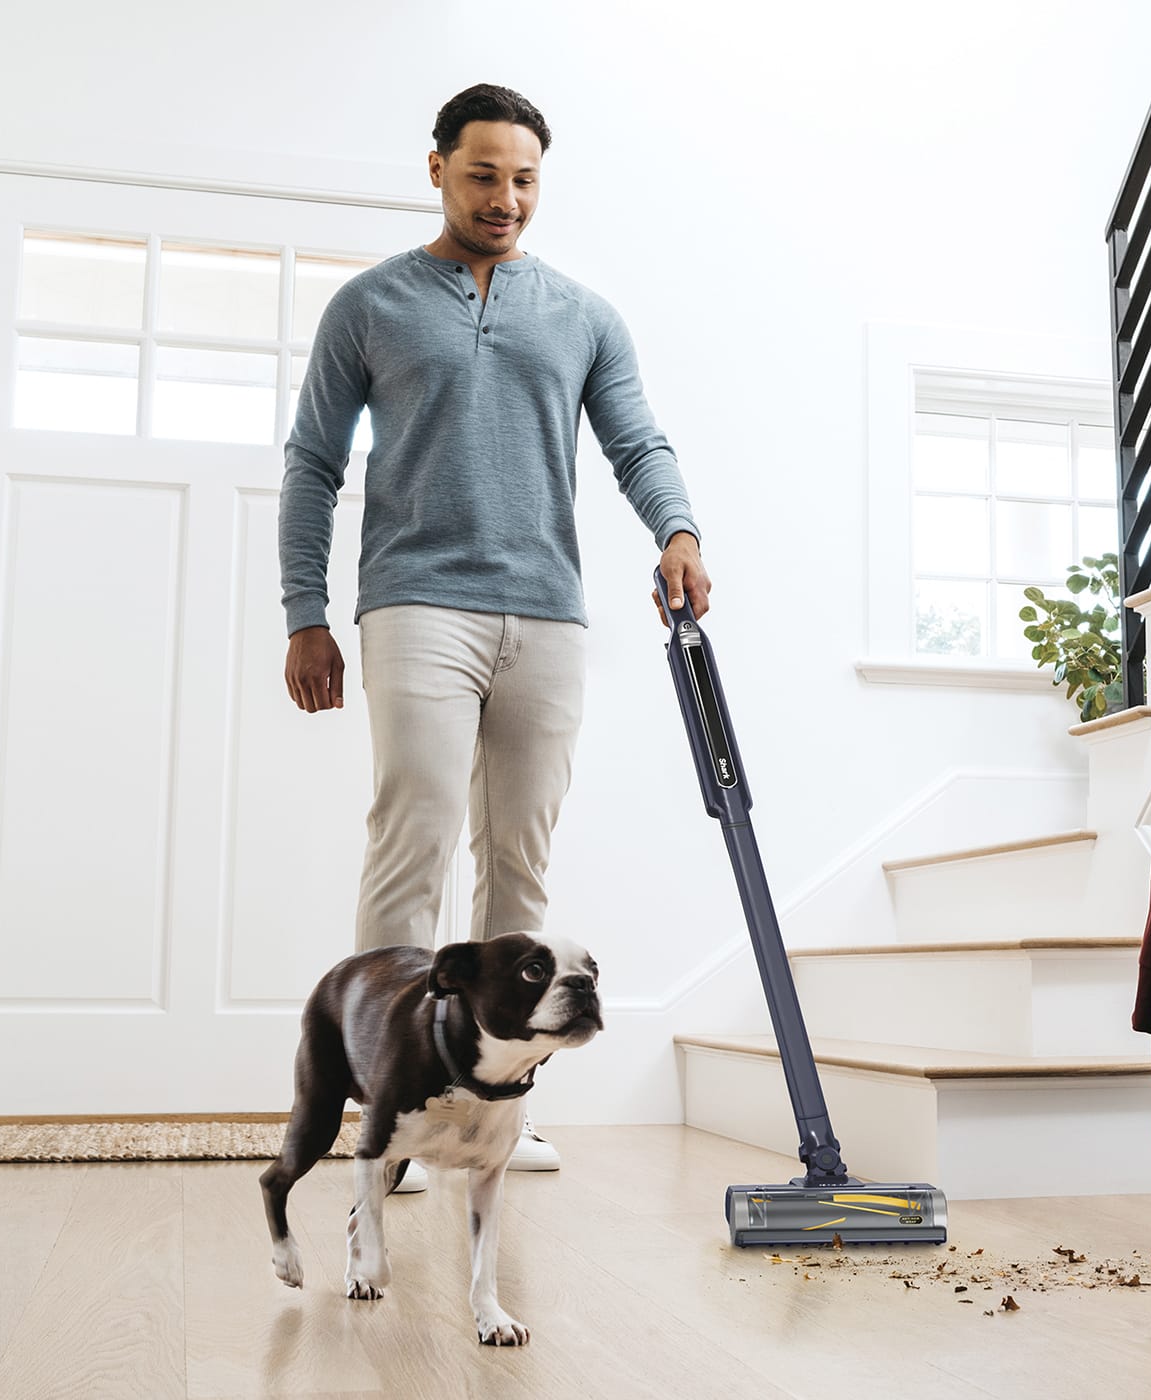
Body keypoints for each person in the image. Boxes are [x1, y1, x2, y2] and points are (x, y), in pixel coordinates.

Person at [278, 82, 711, 1186]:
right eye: (482, 175)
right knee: (412, 833)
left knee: (518, 854)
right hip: (417, 598)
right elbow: (312, 465)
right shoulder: (370, 306)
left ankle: (496, 1107)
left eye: (523, 179)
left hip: (546, 613)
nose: (504, 197)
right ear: (436, 170)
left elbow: (635, 439)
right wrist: (306, 615)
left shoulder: (581, 315)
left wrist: (675, 527)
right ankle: (397, 1105)